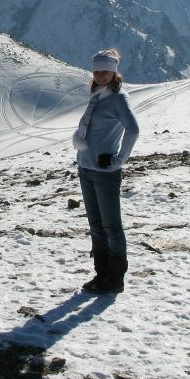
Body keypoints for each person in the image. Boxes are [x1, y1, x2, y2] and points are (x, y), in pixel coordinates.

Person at [72, 49, 140, 294]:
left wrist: (119, 159)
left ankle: (115, 279)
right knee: (96, 225)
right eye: (97, 71)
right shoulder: (98, 95)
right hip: (86, 168)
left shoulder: (118, 98)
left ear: (114, 72)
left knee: (111, 226)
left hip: (104, 172)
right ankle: (101, 275)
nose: (100, 76)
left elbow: (133, 130)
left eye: (105, 71)